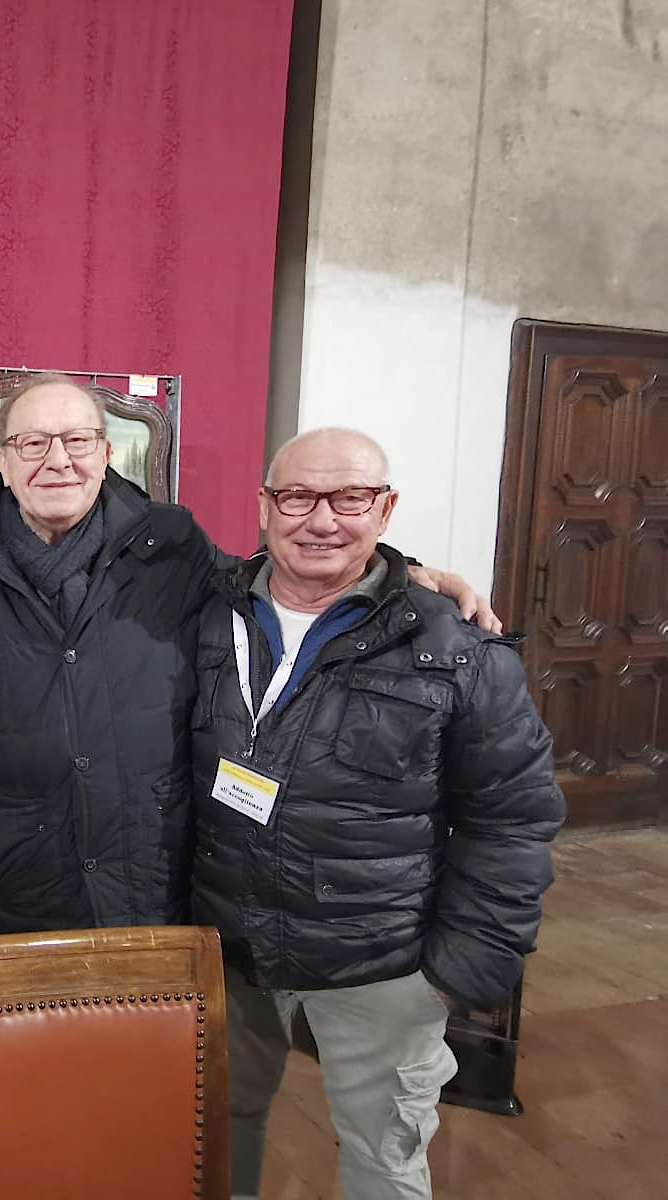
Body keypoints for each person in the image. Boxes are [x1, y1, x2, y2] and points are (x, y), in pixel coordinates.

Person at [0, 373, 501, 938]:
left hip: (154, 875)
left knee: (155, 1019)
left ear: (105, 455)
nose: (58, 460)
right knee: (37, 1017)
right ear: (2, 463)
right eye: (33, 443)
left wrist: (395, 572)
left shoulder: (169, 543)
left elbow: (265, 582)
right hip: (24, 881)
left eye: (77, 440)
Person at [190, 428, 563, 1200]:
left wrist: (457, 975)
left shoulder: (457, 649)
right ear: (265, 507)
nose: (322, 520)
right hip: (226, 949)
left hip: (379, 965)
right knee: (220, 1130)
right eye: (299, 496)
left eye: (350, 498)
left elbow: (511, 820)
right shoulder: (205, 615)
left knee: (383, 1160)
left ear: (385, 510)